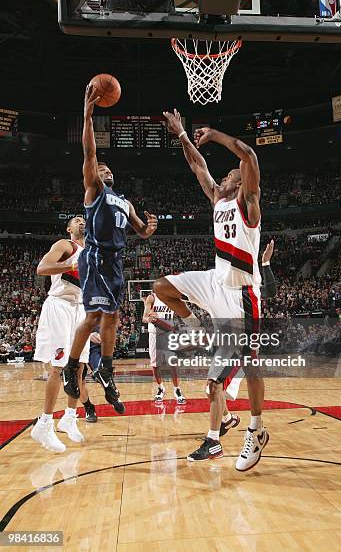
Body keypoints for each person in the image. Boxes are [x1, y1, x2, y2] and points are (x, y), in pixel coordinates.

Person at [155, 111, 267, 471]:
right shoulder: (218, 200)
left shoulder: (248, 206)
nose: (225, 176)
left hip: (241, 294)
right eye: (225, 174)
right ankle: (193, 325)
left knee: (242, 369)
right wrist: (183, 136)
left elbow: (248, 154)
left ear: (242, 182)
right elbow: (198, 167)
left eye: (231, 174)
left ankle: (253, 429)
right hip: (214, 279)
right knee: (161, 287)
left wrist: (216, 134)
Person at [62, 84, 158, 410]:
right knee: (93, 318)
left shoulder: (125, 201)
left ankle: (105, 367)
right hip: (96, 256)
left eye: (107, 169)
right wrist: (88, 115)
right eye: (100, 169)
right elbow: (89, 153)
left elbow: (140, 232)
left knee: (112, 318)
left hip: (115, 262)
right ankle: (72, 365)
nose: (104, 169)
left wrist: (149, 228)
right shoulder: (95, 190)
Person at [31, 216, 95, 452]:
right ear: (69, 229)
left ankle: (70, 416)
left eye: (83, 219)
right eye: (77, 220)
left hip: (79, 309)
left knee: (79, 368)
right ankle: (44, 424)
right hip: (59, 305)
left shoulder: (92, 253)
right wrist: (70, 265)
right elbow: (42, 268)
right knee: (58, 368)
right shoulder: (65, 245)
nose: (82, 221)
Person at [142, 292, 186, 404]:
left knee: (173, 364)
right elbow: (144, 318)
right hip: (154, 334)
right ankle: (161, 388)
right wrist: (151, 319)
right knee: (155, 365)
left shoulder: (172, 298)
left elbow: (180, 311)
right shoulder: (152, 298)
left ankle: (177, 389)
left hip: (168, 334)